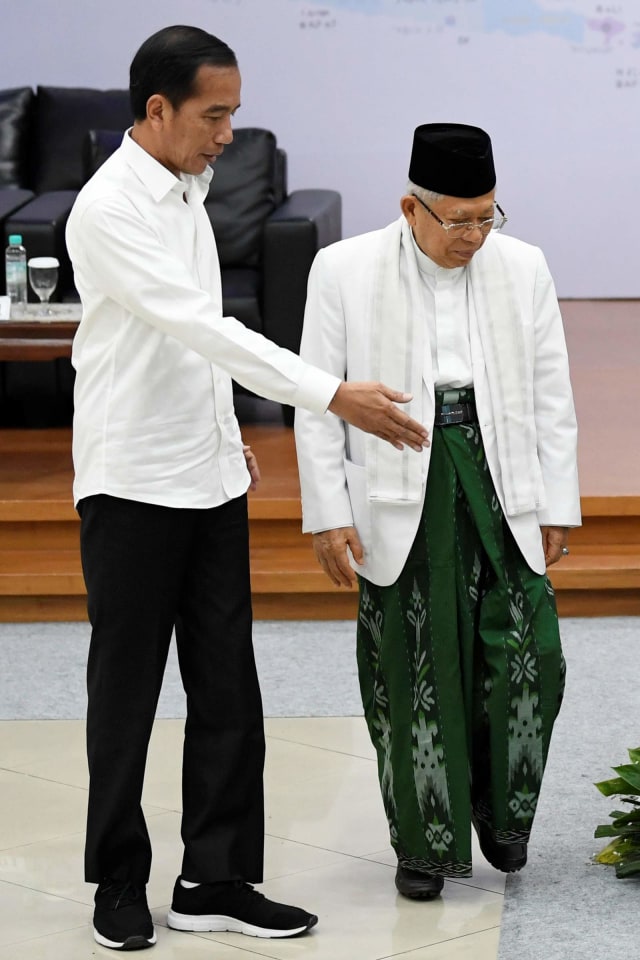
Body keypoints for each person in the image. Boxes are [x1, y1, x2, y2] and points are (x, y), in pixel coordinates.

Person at [65, 24, 429, 952]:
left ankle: (215, 880)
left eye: (234, 114)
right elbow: (203, 329)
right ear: (158, 110)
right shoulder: (109, 209)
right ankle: (118, 880)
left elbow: (193, 347)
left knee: (228, 687)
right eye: (214, 115)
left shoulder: (190, 187)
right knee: (127, 693)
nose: (228, 134)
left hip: (209, 476)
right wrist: (332, 393)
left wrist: (225, 438)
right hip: (131, 483)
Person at [294, 123, 581, 901]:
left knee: (531, 655)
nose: (475, 236)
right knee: (411, 660)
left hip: (500, 472)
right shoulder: (343, 268)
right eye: (458, 220)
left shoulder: (523, 266)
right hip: (401, 476)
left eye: (488, 216)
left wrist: (559, 501)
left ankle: (502, 814)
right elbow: (316, 401)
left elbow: (552, 392)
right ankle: (423, 846)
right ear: (410, 207)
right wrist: (326, 512)